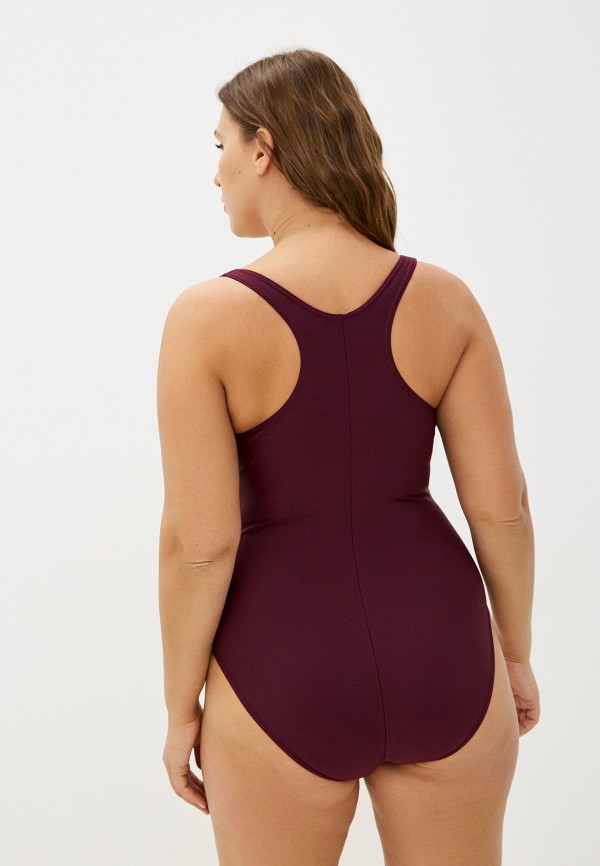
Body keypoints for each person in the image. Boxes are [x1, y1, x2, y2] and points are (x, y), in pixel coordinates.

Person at [157, 48, 540, 866]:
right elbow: (502, 507)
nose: (217, 171)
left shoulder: (206, 319)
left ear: (264, 149)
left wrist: (181, 704)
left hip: (281, 659)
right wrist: (513, 653)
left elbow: (200, 544)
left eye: (221, 145)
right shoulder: (446, 300)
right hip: (445, 650)